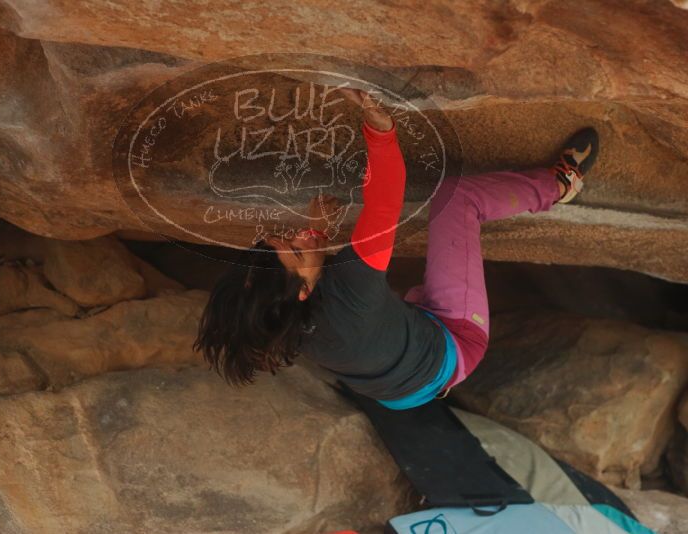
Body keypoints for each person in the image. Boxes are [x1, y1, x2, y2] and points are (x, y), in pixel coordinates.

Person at [193, 87, 599, 409]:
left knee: (383, 297)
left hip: (397, 391)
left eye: (282, 237)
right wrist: (379, 128)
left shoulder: (280, 325)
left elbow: (302, 281)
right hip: (455, 344)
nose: (296, 234)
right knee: (457, 199)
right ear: (302, 292)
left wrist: (316, 234)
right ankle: (561, 185)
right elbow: (386, 198)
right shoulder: (351, 288)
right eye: (296, 249)